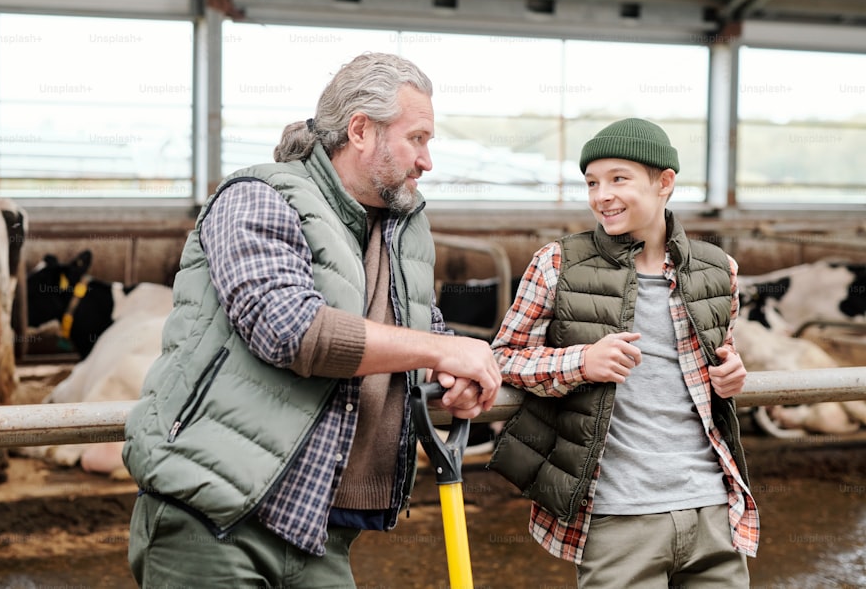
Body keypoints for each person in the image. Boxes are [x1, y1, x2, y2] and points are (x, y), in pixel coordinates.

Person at [122, 52, 502, 588]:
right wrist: (441, 351)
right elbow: (290, 329)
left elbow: (422, 331)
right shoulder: (258, 197)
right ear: (361, 130)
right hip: (217, 514)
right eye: (417, 138)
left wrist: (453, 375)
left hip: (317, 528)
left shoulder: (396, 231)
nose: (427, 161)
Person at [489, 117, 759, 588]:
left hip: (712, 508)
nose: (601, 195)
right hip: (617, 516)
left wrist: (733, 375)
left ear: (664, 183)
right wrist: (581, 362)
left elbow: (720, 356)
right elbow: (504, 356)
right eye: (592, 182)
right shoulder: (557, 263)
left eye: (619, 179)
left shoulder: (720, 270)